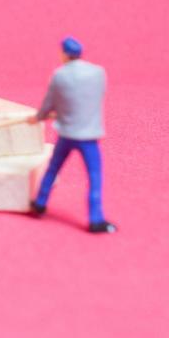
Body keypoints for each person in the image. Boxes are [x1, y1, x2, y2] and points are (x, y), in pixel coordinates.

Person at [29, 37, 117, 233]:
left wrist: (39, 117)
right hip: (88, 135)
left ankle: (40, 203)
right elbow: (93, 99)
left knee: (53, 169)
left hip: (67, 133)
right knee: (94, 176)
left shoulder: (60, 75)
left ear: (64, 54)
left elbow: (49, 103)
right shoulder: (98, 73)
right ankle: (96, 219)